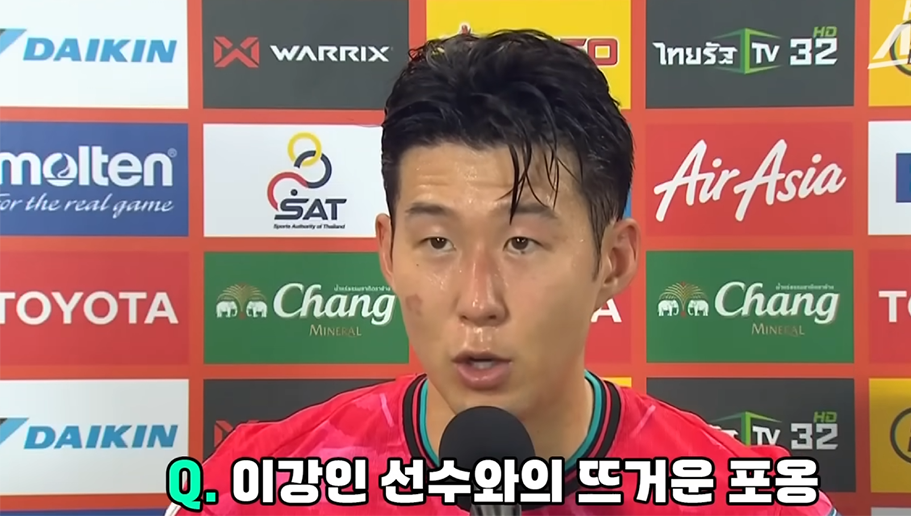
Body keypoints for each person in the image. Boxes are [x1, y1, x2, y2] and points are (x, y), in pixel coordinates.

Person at [167, 29, 840, 515]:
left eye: (522, 243)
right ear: (389, 252)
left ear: (613, 261)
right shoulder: (255, 487)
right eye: (437, 242)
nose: (478, 300)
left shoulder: (752, 498)